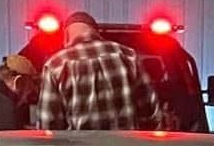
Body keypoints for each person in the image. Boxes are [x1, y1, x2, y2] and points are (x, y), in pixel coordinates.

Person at [32, 11, 166, 131]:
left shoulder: (56, 65)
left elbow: (48, 126)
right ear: (96, 32)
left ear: (66, 36)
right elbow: (151, 114)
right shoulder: (128, 56)